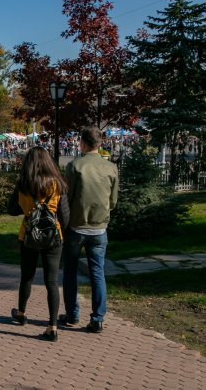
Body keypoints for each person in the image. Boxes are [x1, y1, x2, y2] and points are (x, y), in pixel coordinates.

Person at [7, 146, 70, 342]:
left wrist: (28, 209)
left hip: (29, 236)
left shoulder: (23, 185)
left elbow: (11, 210)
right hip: (53, 237)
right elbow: (65, 216)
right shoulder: (57, 184)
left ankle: (22, 313)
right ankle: (52, 325)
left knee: (27, 277)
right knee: (52, 282)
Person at [60, 127, 119, 333]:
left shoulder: (75, 166)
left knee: (70, 272)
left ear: (83, 143)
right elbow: (112, 201)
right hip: (99, 227)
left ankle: (72, 314)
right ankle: (98, 317)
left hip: (77, 226)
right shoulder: (111, 167)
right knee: (97, 273)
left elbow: (67, 198)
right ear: (99, 143)